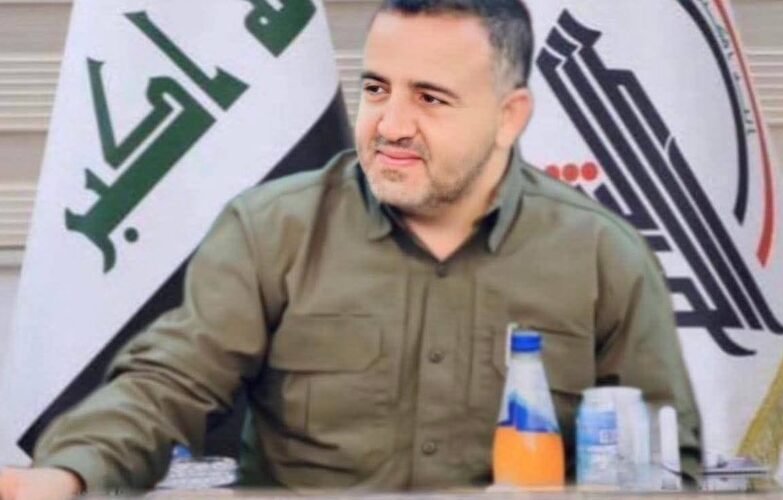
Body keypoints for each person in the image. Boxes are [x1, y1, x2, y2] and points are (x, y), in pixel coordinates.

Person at [0, 0, 701, 496]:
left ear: (508, 116)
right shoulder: (272, 229)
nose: (390, 125)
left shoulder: (601, 254)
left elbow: (674, 463)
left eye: (430, 98)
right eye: (376, 88)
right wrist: (68, 473)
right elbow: (168, 386)